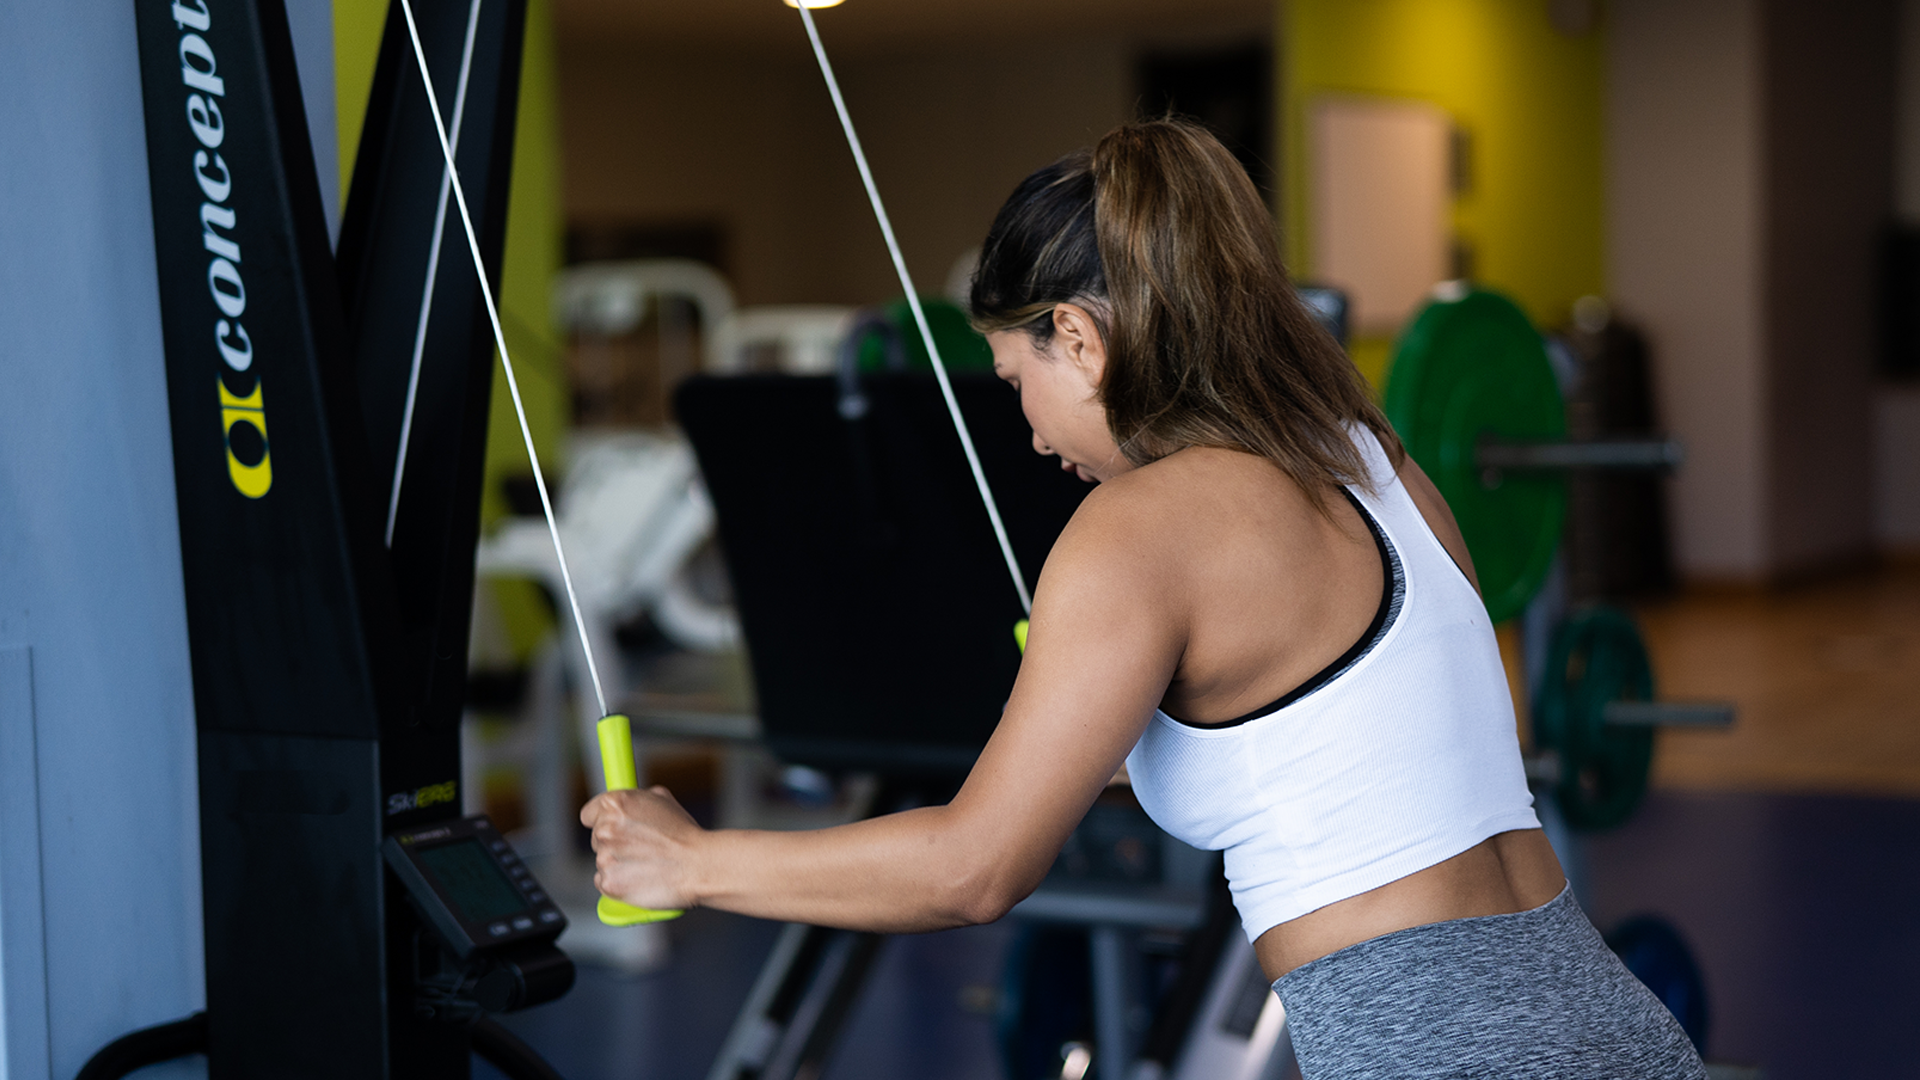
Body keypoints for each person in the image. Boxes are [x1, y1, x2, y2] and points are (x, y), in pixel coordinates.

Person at [581, 119, 1706, 1079]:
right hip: (1604, 1014)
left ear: (1076, 334)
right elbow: (1367, 747)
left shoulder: (1137, 529)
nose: (1026, 431)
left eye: (1019, 382)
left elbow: (976, 871)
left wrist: (691, 863)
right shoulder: (1370, 454)